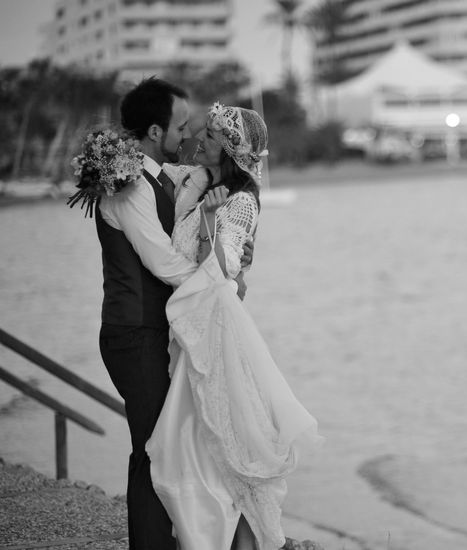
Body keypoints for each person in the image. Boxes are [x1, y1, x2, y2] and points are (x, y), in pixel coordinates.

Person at [146, 103, 320, 550]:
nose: (198, 139)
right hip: (191, 328)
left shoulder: (239, 202)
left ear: (227, 148)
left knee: (215, 444)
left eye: (209, 136)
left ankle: (247, 541)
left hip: (212, 331)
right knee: (197, 447)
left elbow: (220, 272)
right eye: (200, 132)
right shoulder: (199, 185)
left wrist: (208, 224)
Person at [96, 77, 253, 549]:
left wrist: (230, 239)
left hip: (155, 332)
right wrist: (220, 285)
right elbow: (164, 262)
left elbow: (196, 193)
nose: (187, 136)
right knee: (153, 450)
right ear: (152, 130)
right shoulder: (126, 187)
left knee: (169, 444)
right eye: (181, 126)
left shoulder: (158, 176)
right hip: (134, 333)